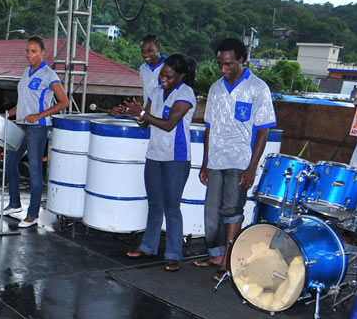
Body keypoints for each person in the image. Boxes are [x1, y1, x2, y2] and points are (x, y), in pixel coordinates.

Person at [195, 38, 276, 281]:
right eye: (220, 64)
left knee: (232, 210)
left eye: (229, 64)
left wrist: (251, 168)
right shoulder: (215, 88)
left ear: (241, 60)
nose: (223, 69)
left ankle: (229, 262)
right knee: (212, 213)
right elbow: (209, 128)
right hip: (216, 160)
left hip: (240, 160)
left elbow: (263, 130)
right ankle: (216, 255)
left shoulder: (257, 88)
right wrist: (205, 162)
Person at [117, 54, 198, 272]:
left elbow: (169, 124)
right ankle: (148, 246)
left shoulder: (186, 94)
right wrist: (133, 114)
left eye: (169, 76)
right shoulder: (155, 91)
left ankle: (173, 254)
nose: (163, 79)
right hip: (154, 154)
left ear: (181, 76)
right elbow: (146, 123)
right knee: (154, 205)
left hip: (176, 158)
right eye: (162, 74)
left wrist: (143, 113)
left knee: (172, 208)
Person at [1, 36, 69, 228]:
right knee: (11, 161)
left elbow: (64, 102)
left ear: (43, 53)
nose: (29, 55)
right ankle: (14, 204)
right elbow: (23, 102)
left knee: (34, 170)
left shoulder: (49, 75)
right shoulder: (26, 71)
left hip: (38, 127)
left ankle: (33, 215)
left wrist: (39, 115)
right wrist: (7, 114)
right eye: (27, 51)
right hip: (23, 125)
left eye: (34, 51)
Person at [138, 35, 165, 103]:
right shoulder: (143, 69)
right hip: (147, 112)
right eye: (143, 51)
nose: (145, 54)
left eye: (149, 50)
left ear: (158, 49)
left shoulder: (169, 66)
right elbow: (147, 94)